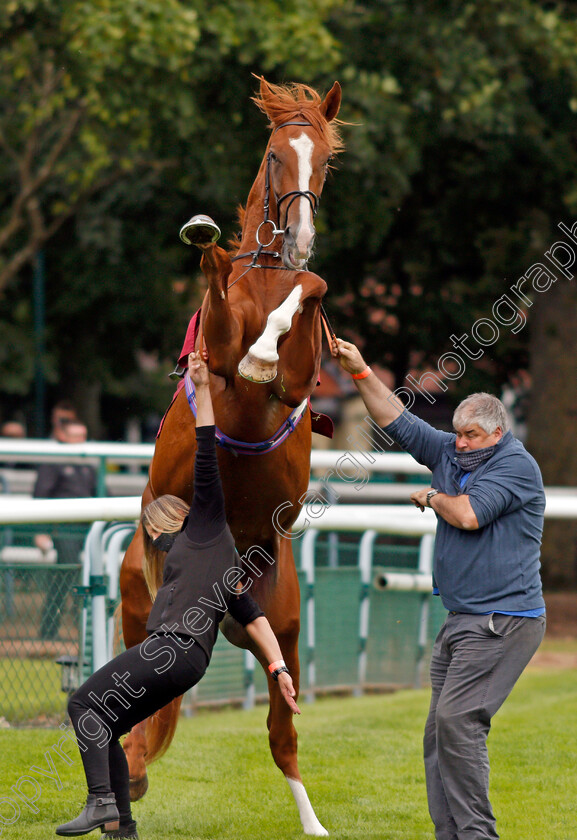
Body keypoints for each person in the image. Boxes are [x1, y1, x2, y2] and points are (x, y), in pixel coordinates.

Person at [55, 351, 300, 839]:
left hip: (172, 652)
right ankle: (122, 829)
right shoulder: (210, 558)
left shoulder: (206, 524)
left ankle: (102, 803)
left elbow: (205, 448)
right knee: (104, 722)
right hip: (183, 659)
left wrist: (203, 390)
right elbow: (252, 616)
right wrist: (278, 668)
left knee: (84, 705)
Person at [331, 337, 546, 840]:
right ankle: (449, 834)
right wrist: (362, 370)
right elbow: (396, 419)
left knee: (458, 722)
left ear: (497, 433)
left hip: (504, 621)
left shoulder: (515, 466)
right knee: (438, 735)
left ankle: (477, 836)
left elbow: (468, 514)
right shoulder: (453, 452)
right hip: (461, 618)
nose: (461, 444)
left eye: (471, 436)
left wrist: (431, 494)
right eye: (457, 435)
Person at [33, 421, 97, 640]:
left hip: (89, 529)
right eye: (76, 436)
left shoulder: (90, 464)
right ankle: (48, 633)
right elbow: (40, 497)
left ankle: (86, 633)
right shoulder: (54, 462)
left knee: (91, 577)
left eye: (83, 436)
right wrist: (40, 532)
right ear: (64, 437)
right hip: (64, 528)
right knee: (64, 576)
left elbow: (106, 494)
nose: (81, 441)